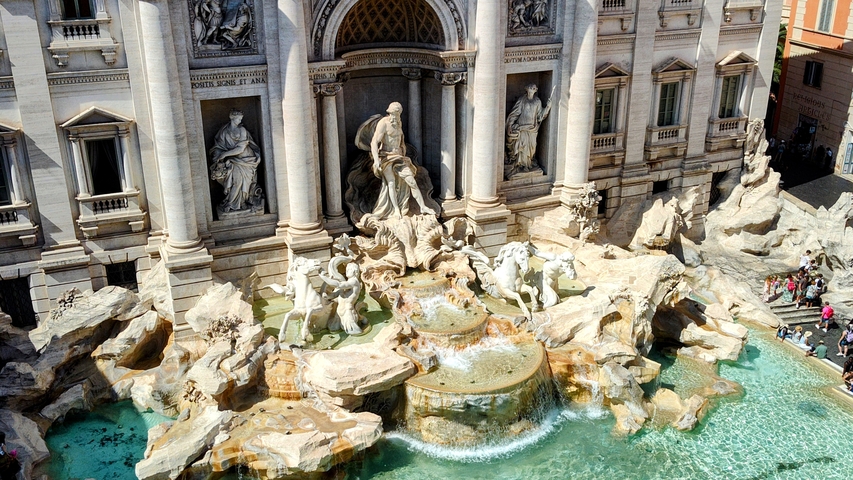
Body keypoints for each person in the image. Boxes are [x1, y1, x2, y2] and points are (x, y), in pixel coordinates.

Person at [364, 102, 436, 219]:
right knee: (391, 183)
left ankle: (423, 207)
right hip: (386, 157)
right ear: (389, 112)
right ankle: (396, 210)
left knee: (412, 181)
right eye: (392, 114)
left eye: (397, 115)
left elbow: (400, 141)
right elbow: (374, 142)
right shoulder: (383, 123)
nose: (394, 117)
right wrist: (376, 160)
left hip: (399, 157)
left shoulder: (398, 122)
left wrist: (403, 152)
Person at [209, 109, 263, 213]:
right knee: (237, 182)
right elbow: (219, 146)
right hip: (233, 161)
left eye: (241, 119)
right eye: (238, 119)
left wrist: (224, 154)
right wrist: (218, 155)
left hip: (247, 160)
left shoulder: (242, 130)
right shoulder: (224, 131)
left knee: (242, 183)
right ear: (232, 118)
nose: (240, 121)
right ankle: (234, 203)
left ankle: (236, 203)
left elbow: (240, 149)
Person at [505, 84, 553, 172]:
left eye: (534, 88)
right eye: (530, 87)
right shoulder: (522, 100)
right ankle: (521, 165)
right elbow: (515, 113)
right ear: (527, 89)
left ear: (536, 90)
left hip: (532, 129)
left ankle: (528, 163)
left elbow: (540, 116)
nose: (532, 89)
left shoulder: (537, 101)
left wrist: (548, 107)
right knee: (522, 146)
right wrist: (510, 125)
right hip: (522, 127)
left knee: (531, 147)